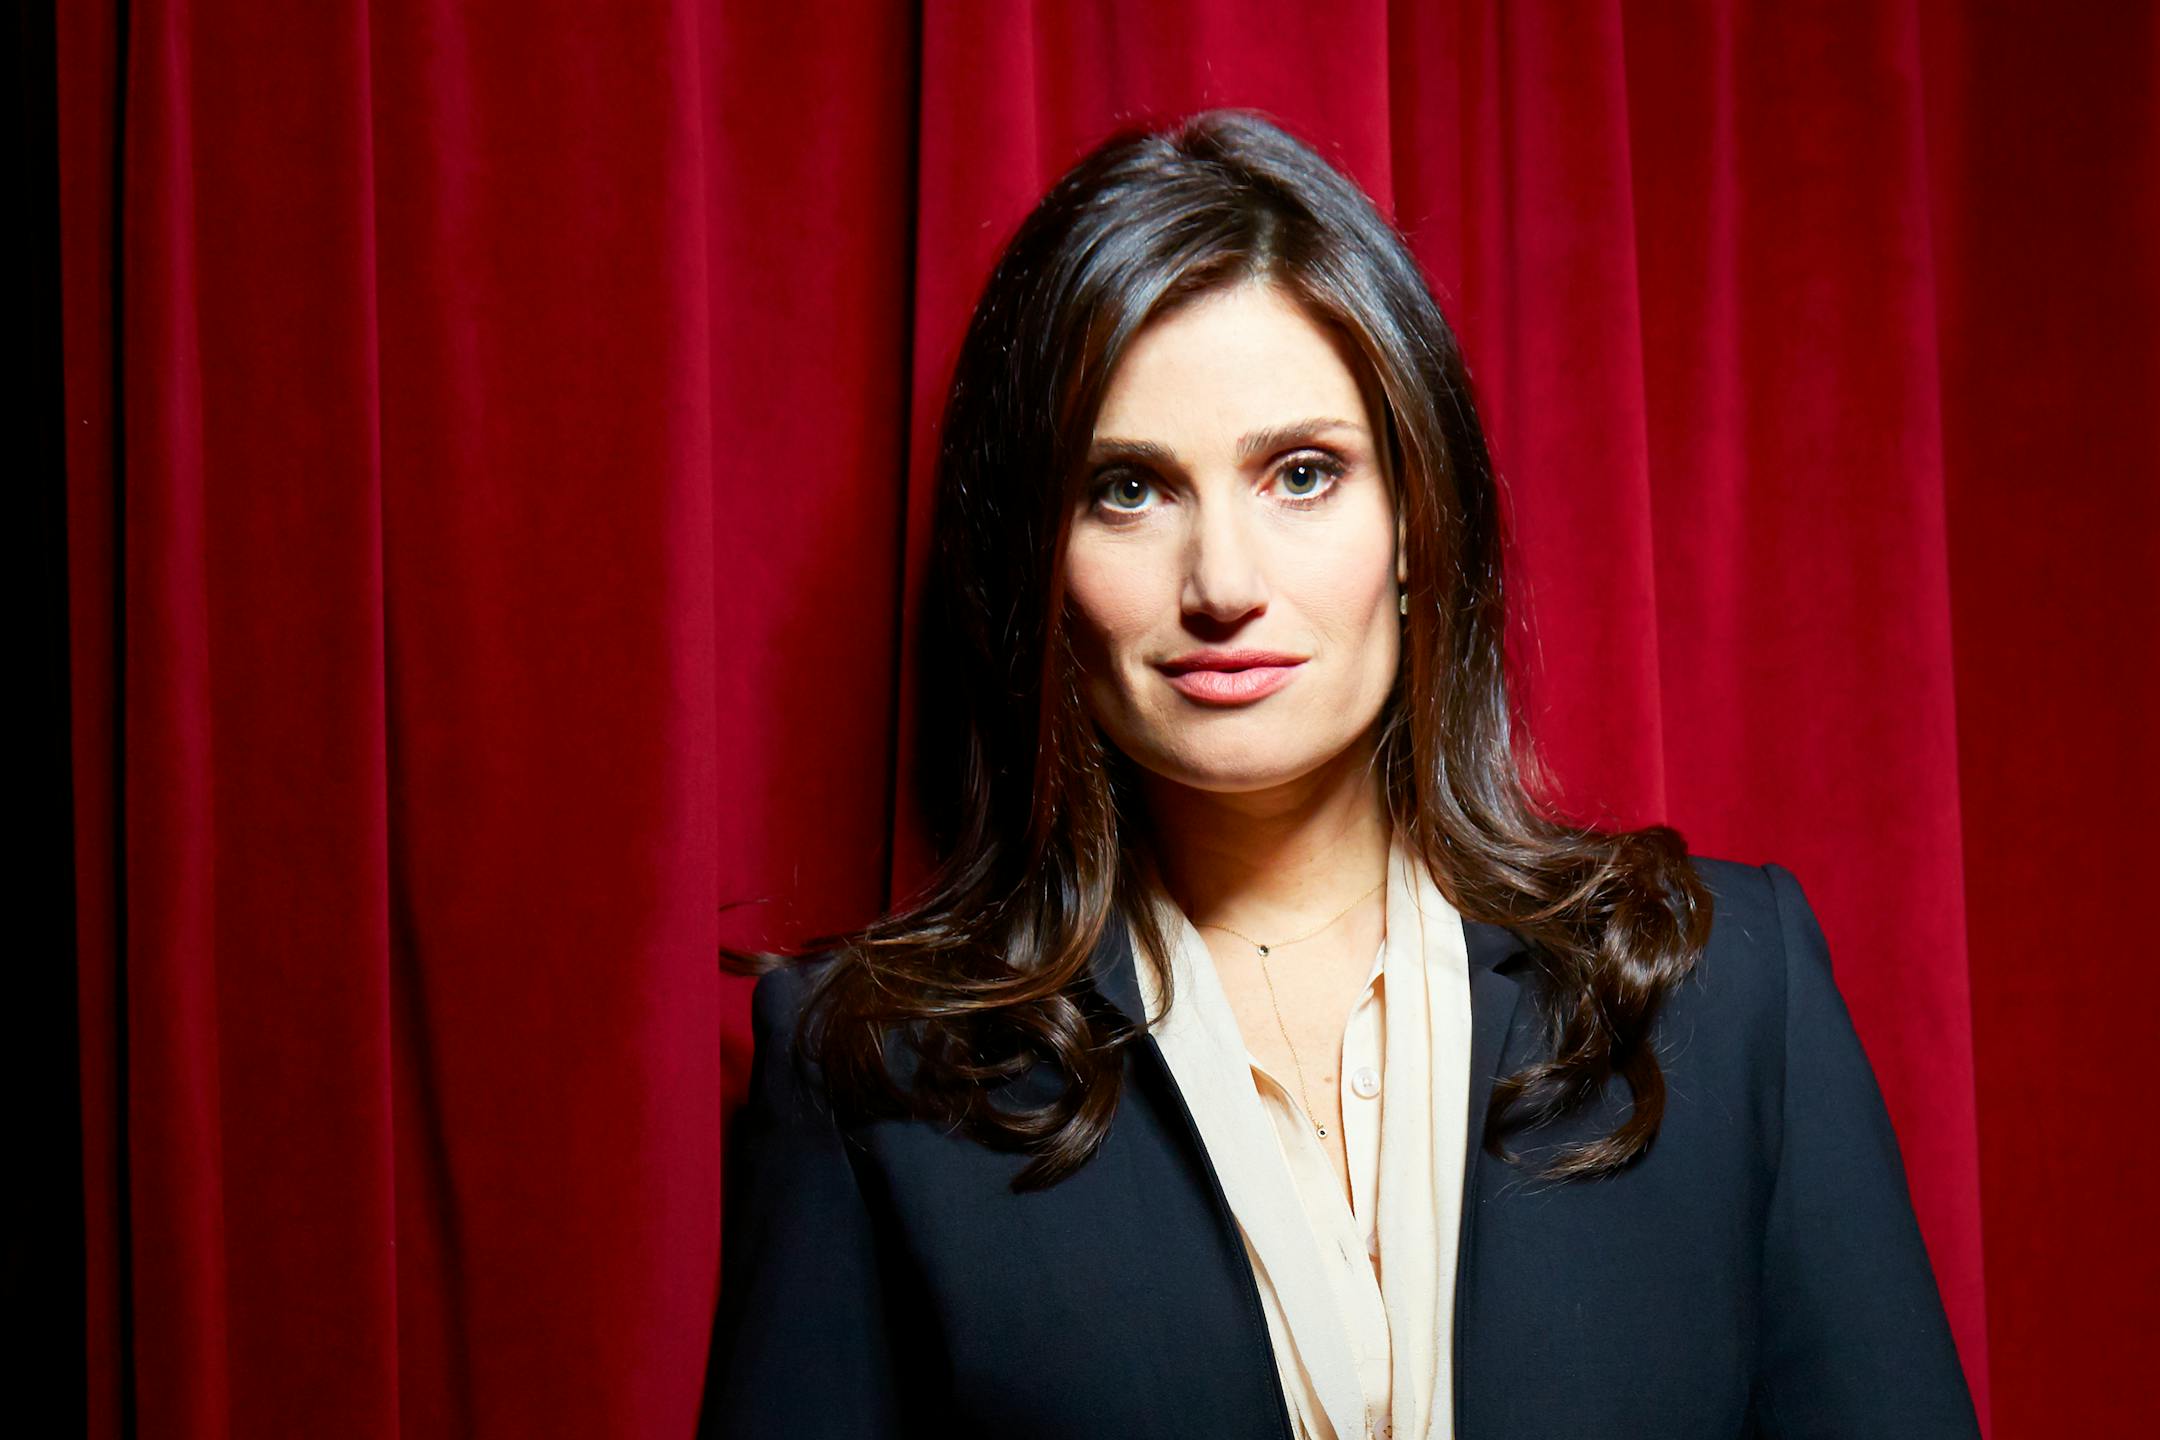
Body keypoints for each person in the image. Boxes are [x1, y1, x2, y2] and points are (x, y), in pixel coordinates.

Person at [699, 109, 1980, 1440]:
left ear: (1419, 520)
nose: (1226, 586)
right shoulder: (877, 1070)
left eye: (1303, 474)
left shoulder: (1721, 991)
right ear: (1034, 563)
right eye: (1128, 490)